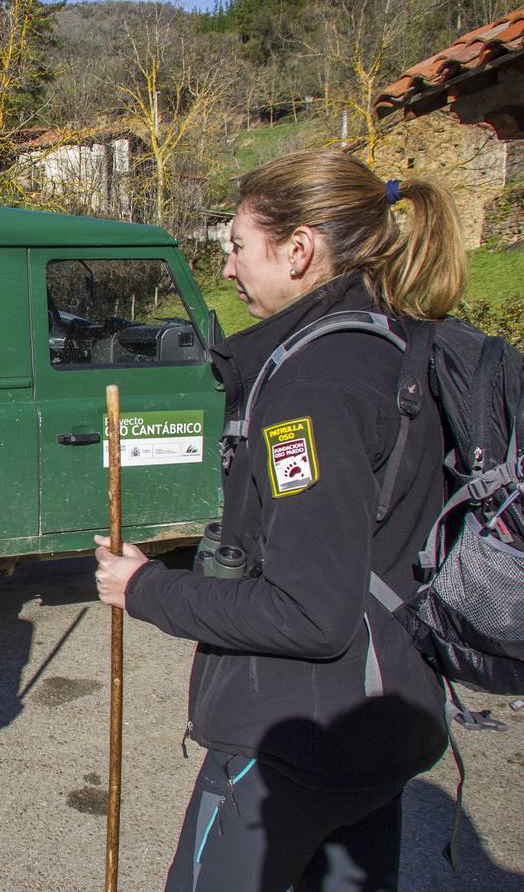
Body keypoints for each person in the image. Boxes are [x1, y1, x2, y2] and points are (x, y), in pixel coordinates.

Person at [94, 148, 463, 892]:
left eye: (236, 246)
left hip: (297, 740)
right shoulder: (392, 345)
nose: (226, 269)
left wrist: (146, 589)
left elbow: (308, 612)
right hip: (378, 722)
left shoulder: (314, 387)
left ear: (299, 251)